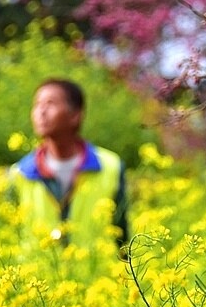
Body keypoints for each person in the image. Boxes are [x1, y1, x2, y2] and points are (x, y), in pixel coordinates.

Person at [9, 78, 128, 256]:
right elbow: (12, 237)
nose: (41, 111)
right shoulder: (20, 173)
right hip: (39, 272)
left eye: (50, 104)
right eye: (37, 104)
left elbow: (122, 233)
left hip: (96, 271)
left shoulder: (110, 166)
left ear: (75, 115)